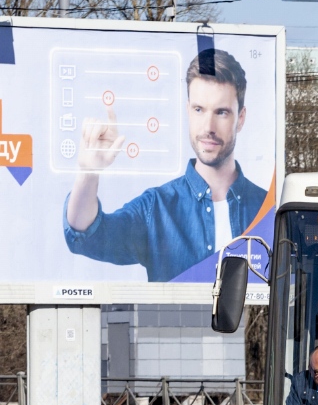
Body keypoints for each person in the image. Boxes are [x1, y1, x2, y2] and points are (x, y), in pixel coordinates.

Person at [64, 48, 269, 282]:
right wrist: (88, 172)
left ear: (240, 119)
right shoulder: (157, 209)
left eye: (221, 112)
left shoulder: (267, 210)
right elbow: (87, 236)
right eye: (199, 110)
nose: (208, 126)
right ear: (188, 111)